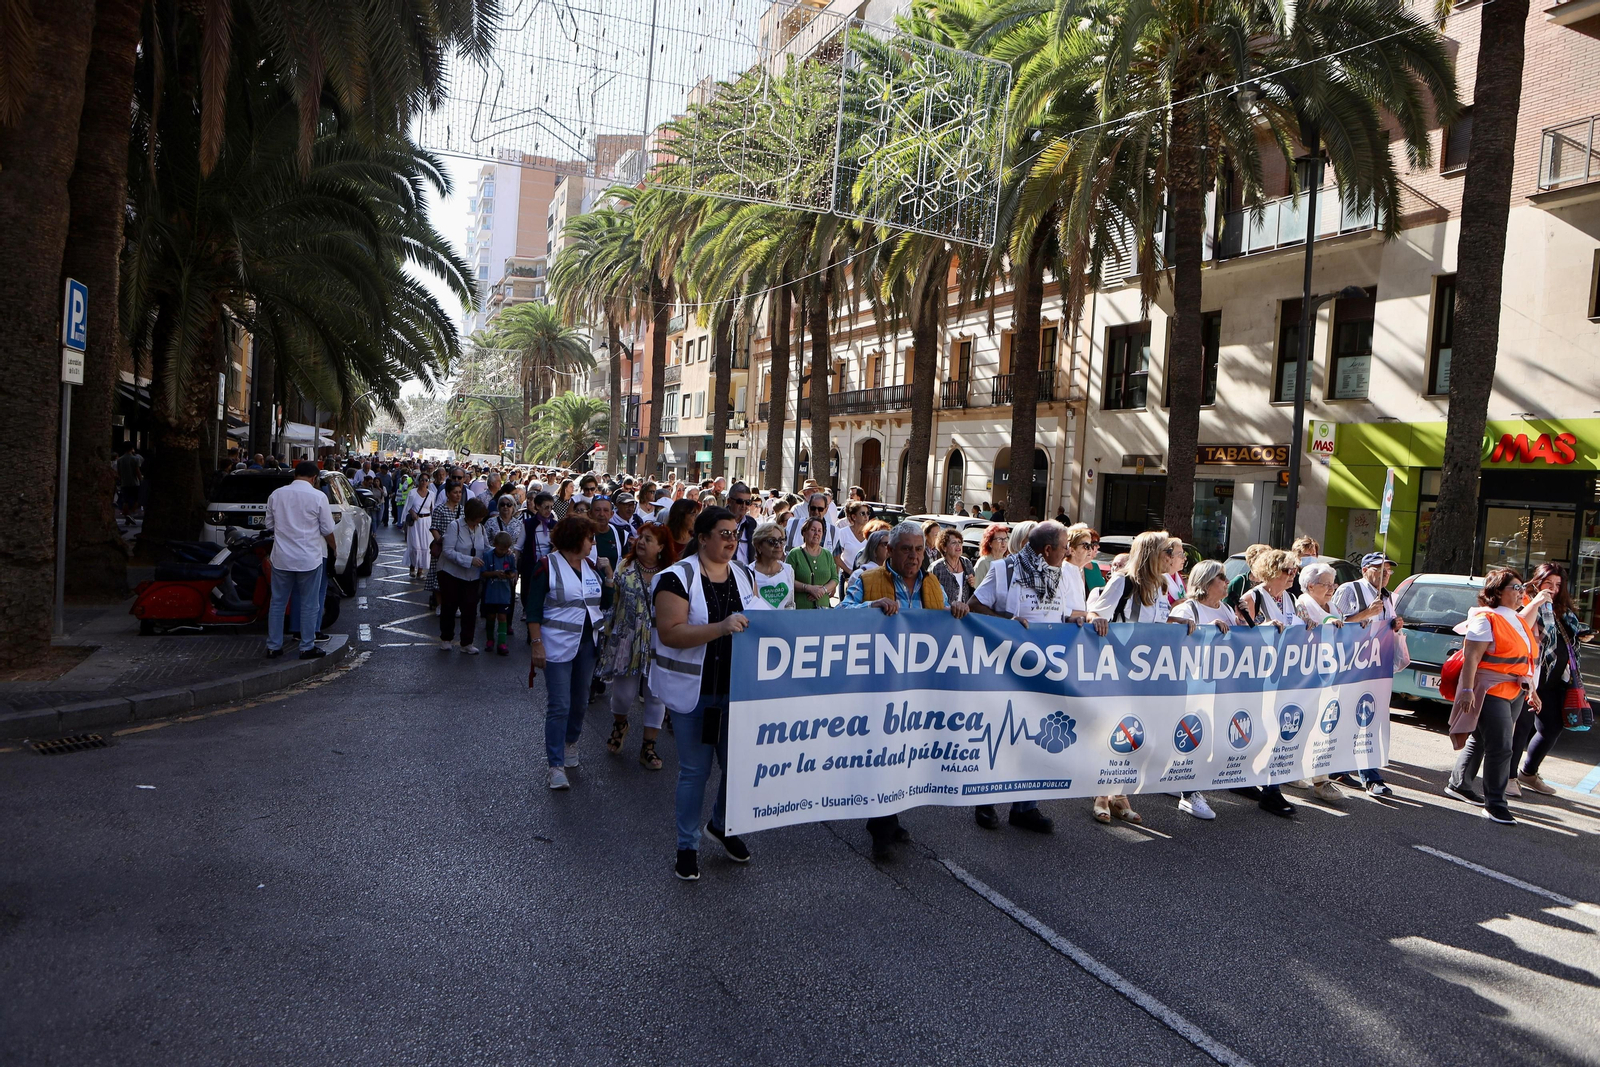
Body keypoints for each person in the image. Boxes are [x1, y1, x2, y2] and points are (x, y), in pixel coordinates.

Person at [651, 507, 771, 881]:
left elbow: (767, 620)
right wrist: (719, 628)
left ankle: (720, 825)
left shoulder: (743, 574)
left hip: (737, 692)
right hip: (695, 693)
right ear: (702, 538)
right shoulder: (675, 578)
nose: (731, 540)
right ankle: (686, 847)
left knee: (738, 770)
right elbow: (670, 632)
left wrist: (859, 612)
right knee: (695, 773)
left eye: (735, 533)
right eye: (723, 533)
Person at [843, 521, 973, 857]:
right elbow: (839, 617)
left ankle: (887, 817)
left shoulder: (932, 585)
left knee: (903, 756)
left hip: (917, 690)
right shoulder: (865, 580)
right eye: (906, 549)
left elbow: (944, 623)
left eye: (919, 549)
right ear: (890, 550)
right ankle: (882, 831)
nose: (914, 556)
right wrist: (869, 608)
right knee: (884, 753)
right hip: (877, 686)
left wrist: (956, 611)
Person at [1086, 531, 1188, 825]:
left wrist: (1179, 621)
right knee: (1113, 731)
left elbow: (1158, 622)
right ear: (1151, 553)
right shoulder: (1123, 581)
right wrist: (1098, 620)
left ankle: (1120, 794)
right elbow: (1095, 613)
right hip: (1117, 668)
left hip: (1146, 672)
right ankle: (1102, 795)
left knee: (1134, 733)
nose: (1170, 557)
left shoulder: (1162, 583)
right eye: (1166, 551)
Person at [1446, 568, 1541, 824]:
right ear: (1497, 592)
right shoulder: (1485, 618)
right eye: (1516, 588)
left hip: (1515, 690)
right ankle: (1495, 803)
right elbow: (1472, 658)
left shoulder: (1518, 619)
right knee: (1502, 747)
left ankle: (1459, 784)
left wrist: (1531, 689)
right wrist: (1466, 690)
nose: (1522, 593)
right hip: (1490, 690)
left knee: (1480, 739)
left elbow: (1525, 660)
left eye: (1523, 588)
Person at [527, 515, 607, 790]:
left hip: (588, 645)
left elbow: (600, 604)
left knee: (581, 702)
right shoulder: (546, 566)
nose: (593, 543)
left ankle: (571, 742)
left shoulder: (591, 567)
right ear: (576, 540)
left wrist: (607, 578)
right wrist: (536, 643)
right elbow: (533, 609)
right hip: (556, 646)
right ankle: (555, 765)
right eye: (590, 538)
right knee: (559, 705)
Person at [598, 521, 676, 771]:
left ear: (661, 547)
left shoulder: (672, 574)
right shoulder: (625, 567)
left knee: (656, 695)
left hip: (659, 642)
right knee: (623, 696)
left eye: (649, 539)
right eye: (641, 537)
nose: (641, 542)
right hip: (627, 640)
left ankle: (648, 747)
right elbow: (614, 602)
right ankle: (620, 724)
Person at [1328, 552, 1404, 797]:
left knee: (1365, 717)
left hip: (1374, 666)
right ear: (1364, 570)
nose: (1385, 575)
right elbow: (1333, 624)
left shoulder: (1387, 596)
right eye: (1379, 569)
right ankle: (1368, 776)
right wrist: (1366, 614)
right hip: (1349, 665)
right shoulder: (1351, 590)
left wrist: (1395, 624)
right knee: (1356, 716)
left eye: (1389, 571)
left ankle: (1344, 769)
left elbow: (1385, 625)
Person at [1167, 559, 1235, 819]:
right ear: (1206, 582)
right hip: (1192, 687)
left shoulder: (1227, 610)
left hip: (1220, 686)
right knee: (1192, 737)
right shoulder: (1189, 609)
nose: (1227, 582)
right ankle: (1189, 793)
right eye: (1221, 577)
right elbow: (1172, 641)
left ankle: (1180, 782)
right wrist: (1209, 631)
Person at [1512, 563, 1586, 795]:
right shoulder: (1525, 600)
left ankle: (1529, 772)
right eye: (1548, 584)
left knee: (1552, 727)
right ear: (1538, 582)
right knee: (1521, 728)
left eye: (1558, 585)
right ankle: (1509, 776)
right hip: (1530, 678)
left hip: (1555, 679)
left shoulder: (1562, 609)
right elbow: (1519, 624)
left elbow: (1564, 637)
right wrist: (1537, 601)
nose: (1553, 589)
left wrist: (1581, 635)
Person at [263, 461, 336, 660]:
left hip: (281, 558)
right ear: (314, 478)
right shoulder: (318, 497)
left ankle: (273, 646)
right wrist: (334, 548)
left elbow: (269, 524)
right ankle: (306, 646)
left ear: (295, 474)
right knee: (309, 604)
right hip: (309, 558)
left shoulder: (276, 495)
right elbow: (327, 529)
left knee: (277, 603)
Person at [438, 497, 490, 653]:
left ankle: (467, 643)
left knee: (470, 609)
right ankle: (446, 639)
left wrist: (501, 550)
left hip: (471, 576)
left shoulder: (480, 528)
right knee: (449, 606)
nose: (481, 520)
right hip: (451, 573)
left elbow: (486, 547)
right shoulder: (455, 526)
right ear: (471, 515)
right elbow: (447, 551)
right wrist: (469, 560)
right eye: (479, 517)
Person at [1237, 549, 1300, 628]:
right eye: (1290, 571)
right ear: (1273, 572)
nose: (1293, 575)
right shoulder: (1252, 598)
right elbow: (1244, 633)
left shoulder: (1292, 598)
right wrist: (1265, 627)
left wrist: (1308, 623)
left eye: (1295, 570)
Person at [787, 515, 839, 609]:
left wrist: (823, 590)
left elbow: (835, 578)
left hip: (823, 609)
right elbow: (788, 580)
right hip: (800, 609)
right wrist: (808, 588)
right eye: (813, 530)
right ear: (804, 532)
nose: (816, 533)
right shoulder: (795, 554)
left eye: (819, 531)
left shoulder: (827, 554)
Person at [481, 530, 520, 655]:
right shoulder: (487, 556)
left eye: (505, 549)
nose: (503, 552)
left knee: (502, 617)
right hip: (491, 592)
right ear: (494, 544)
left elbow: (514, 571)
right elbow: (483, 573)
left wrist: (510, 575)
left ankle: (502, 642)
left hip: (504, 593)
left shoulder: (510, 556)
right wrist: (495, 573)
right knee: (491, 616)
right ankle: (490, 639)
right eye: (501, 549)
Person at [426, 481, 465, 605]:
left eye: (460, 492)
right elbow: (434, 528)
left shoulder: (463, 510)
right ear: (448, 494)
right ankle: (440, 604)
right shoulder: (440, 509)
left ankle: (455, 604)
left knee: (456, 577)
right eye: (455, 492)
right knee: (440, 576)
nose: (458, 495)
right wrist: (440, 543)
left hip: (458, 548)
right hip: (442, 548)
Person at [749, 521, 796, 609]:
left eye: (781, 540)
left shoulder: (788, 570)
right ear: (759, 546)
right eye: (772, 541)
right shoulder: (749, 573)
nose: (778, 545)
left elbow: (789, 605)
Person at [928, 528, 975, 607]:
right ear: (944, 548)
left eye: (959, 542)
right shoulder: (936, 567)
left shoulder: (967, 563)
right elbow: (929, 593)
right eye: (953, 542)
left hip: (964, 614)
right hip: (944, 614)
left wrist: (973, 583)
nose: (958, 545)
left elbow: (973, 590)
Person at [402, 476, 434, 580]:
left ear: (428, 482)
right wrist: (412, 513)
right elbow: (407, 507)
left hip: (426, 522)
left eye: (426, 480)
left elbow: (433, 509)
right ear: (418, 481)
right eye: (422, 480)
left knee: (425, 546)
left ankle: (420, 571)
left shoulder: (431, 494)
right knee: (415, 546)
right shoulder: (412, 493)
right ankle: (412, 567)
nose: (424, 482)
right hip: (415, 523)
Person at [1294, 562, 1343, 626]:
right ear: (1311, 587)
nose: (1332, 589)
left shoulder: (1335, 608)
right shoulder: (1300, 608)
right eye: (1327, 585)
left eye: (1333, 585)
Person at [1225, 543, 1272, 610]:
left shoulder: (1269, 583)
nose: (1268, 565)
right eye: (1265, 561)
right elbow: (1227, 609)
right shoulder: (1239, 581)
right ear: (1253, 562)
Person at [725, 483, 759, 564]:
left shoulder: (751, 523)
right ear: (729, 501)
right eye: (739, 501)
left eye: (747, 502)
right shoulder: (718, 520)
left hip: (746, 572)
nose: (744, 506)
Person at [836, 501, 872, 574]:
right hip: (846, 575)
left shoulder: (871, 534)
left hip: (866, 576)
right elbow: (836, 557)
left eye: (868, 513)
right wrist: (850, 572)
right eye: (862, 513)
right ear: (854, 517)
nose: (866, 516)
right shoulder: (843, 533)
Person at [972, 524, 1011, 588]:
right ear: (990, 543)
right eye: (999, 539)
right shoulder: (983, 563)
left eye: (1005, 539)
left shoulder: (1007, 561)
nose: (1003, 543)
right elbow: (975, 589)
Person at [115, 443, 143, 527]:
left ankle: (127, 515)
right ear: (132, 448)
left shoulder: (120, 460)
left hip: (124, 482)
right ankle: (130, 513)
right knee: (138, 499)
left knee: (125, 500)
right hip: (134, 482)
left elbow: (118, 472)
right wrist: (141, 480)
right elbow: (137, 471)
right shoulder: (135, 459)